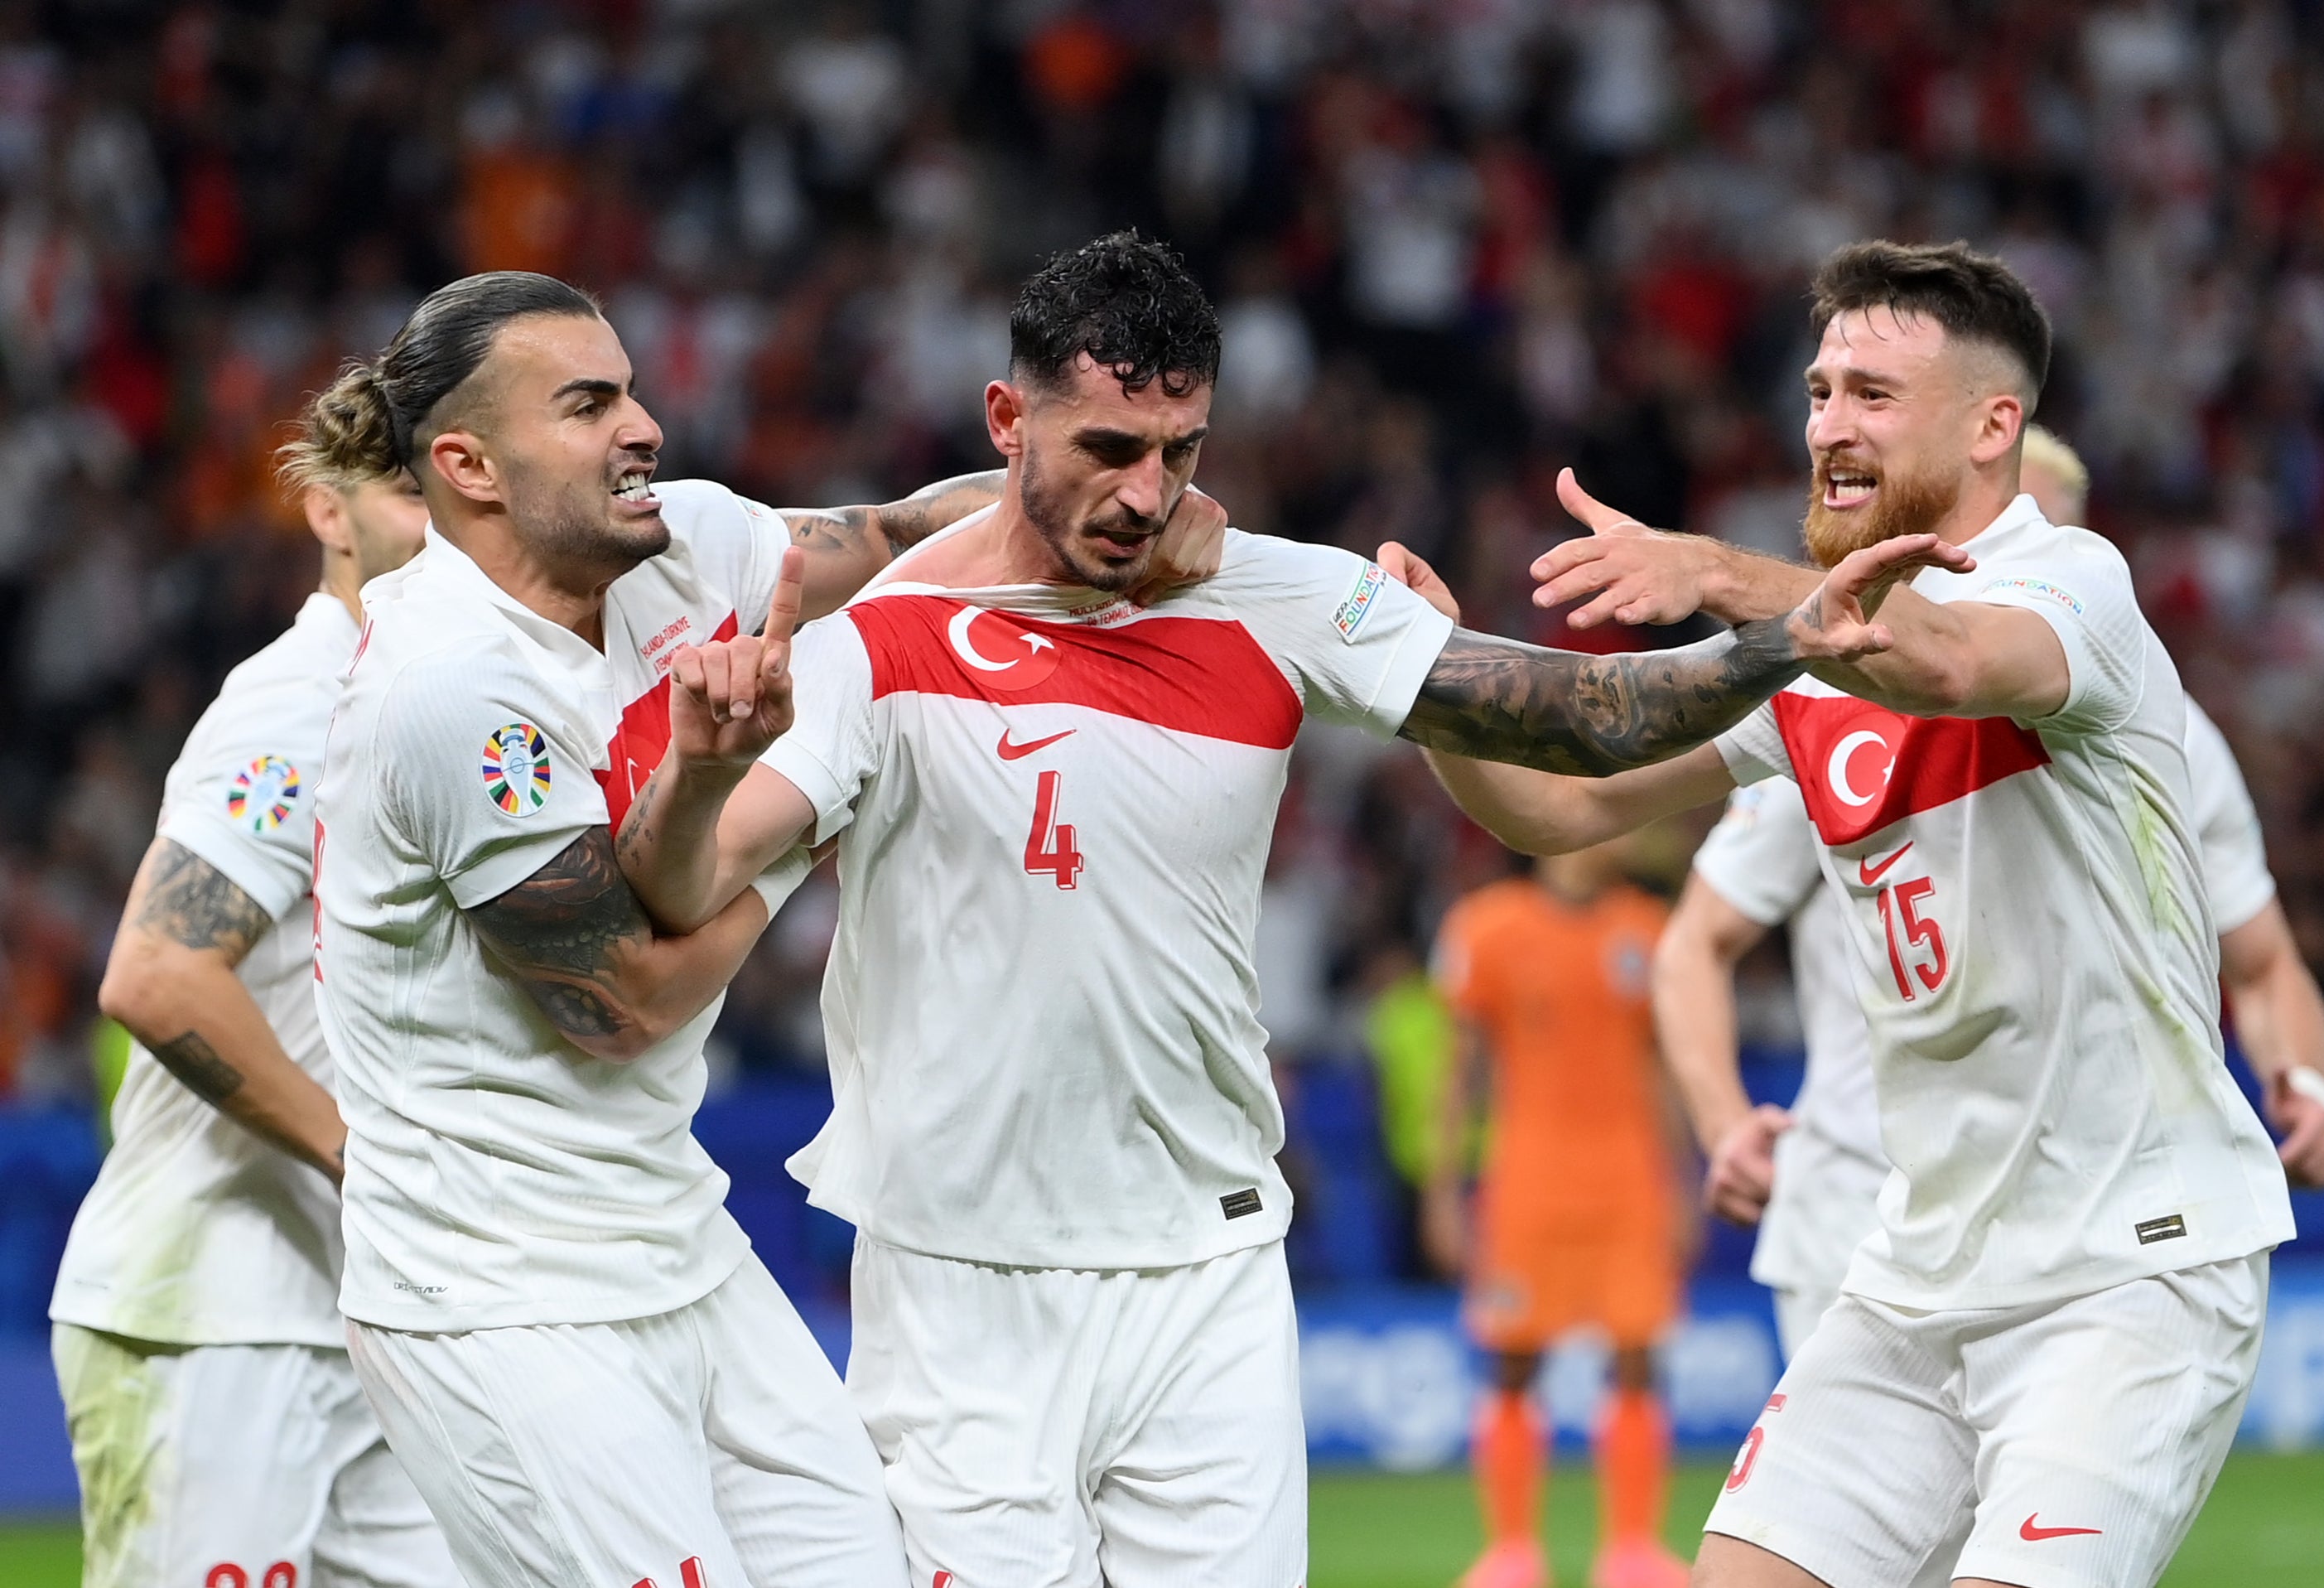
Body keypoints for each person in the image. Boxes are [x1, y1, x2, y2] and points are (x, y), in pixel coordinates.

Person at [608, 230, 1945, 1588]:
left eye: (1180, 452)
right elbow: (694, 879)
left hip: (1212, 1270)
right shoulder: (880, 638)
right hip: (965, 1280)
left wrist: (1775, 637)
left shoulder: (1284, 597)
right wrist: (699, 768)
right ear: (1008, 419)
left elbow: (1577, 722)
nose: (1146, 490)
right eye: (1109, 447)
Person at [1391, 239, 2297, 1588]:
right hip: (1915, 1271)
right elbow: (1567, 807)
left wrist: (1710, 570)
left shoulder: (2077, 588)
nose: (1828, 425)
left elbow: (1936, 656)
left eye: (1872, 393)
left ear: (1996, 425)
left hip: (2128, 1271)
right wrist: (1428, 685)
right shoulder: (1802, 669)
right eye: (1819, 390)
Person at [306, 269, 1164, 1588]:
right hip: (497, 1293)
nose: (642, 424)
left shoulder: (688, 545)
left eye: (632, 389)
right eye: (588, 405)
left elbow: (902, 533)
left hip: (673, 1235)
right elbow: (625, 1008)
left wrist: (1104, 506)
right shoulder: (449, 688)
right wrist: (820, 798)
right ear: (469, 465)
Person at [1655, 427, 2324, 1362]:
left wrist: (2305, 1083)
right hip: (1863, 1203)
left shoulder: (2173, 739)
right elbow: (1692, 941)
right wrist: (1722, 1120)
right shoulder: (1835, 707)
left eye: (2051, 543)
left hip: (2096, 1203)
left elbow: (2262, 966)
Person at [49, 432, 453, 1588]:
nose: (445, 521)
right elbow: (158, 975)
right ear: (329, 514)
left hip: (375, 1313)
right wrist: (365, 1156)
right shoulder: (296, 703)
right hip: (218, 1312)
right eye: (404, 492)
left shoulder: (437, 710)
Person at [1430, 842, 1691, 1588]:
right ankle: (1512, 1552)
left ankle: (1632, 1551)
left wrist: (1680, 1183)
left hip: (1629, 1178)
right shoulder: (1486, 927)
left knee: (1639, 1354)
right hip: (1528, 1181)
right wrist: (1445, 1190)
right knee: (1514, 1357)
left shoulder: (1647, 929)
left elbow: (1659, 1067)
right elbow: (1463, 1071)